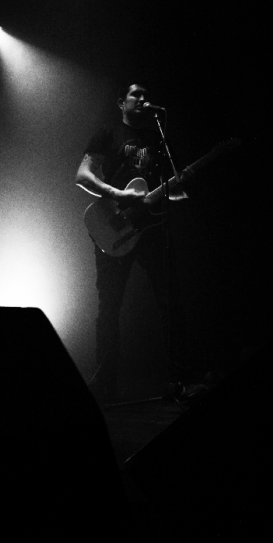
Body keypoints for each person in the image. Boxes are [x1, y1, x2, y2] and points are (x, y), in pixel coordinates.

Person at [75, 83, 192, 403]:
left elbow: (168, 190)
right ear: (121, 102)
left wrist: (180, 191)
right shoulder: (108, 134)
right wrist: (118, 194)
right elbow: (82, 175)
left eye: (145, 95)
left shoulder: (158, 139)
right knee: (109, 308)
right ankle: (105, 385)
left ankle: (181, 379)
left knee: (171, 302)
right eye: (135, 95)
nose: (142, 99)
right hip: (114, 227)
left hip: (151, 229)